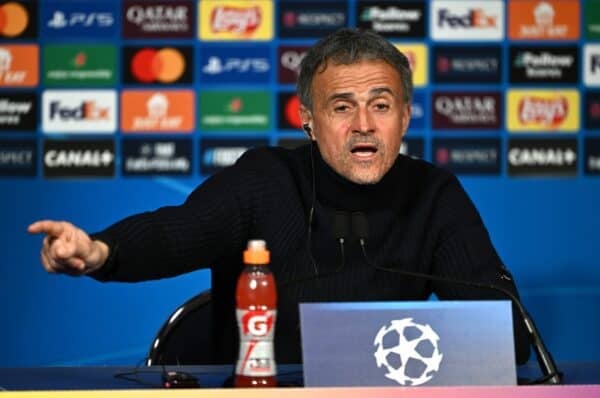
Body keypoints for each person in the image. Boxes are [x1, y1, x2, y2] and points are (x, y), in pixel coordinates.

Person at [28, 28, 531, 365]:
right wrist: (101, 250)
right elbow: (176, 232)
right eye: (341, 107)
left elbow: (506, 335)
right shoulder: (265, 180)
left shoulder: (433, 194)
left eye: (381, 105)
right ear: (308, 120)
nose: (363, 125)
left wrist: (502, 330)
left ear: (405, 116)